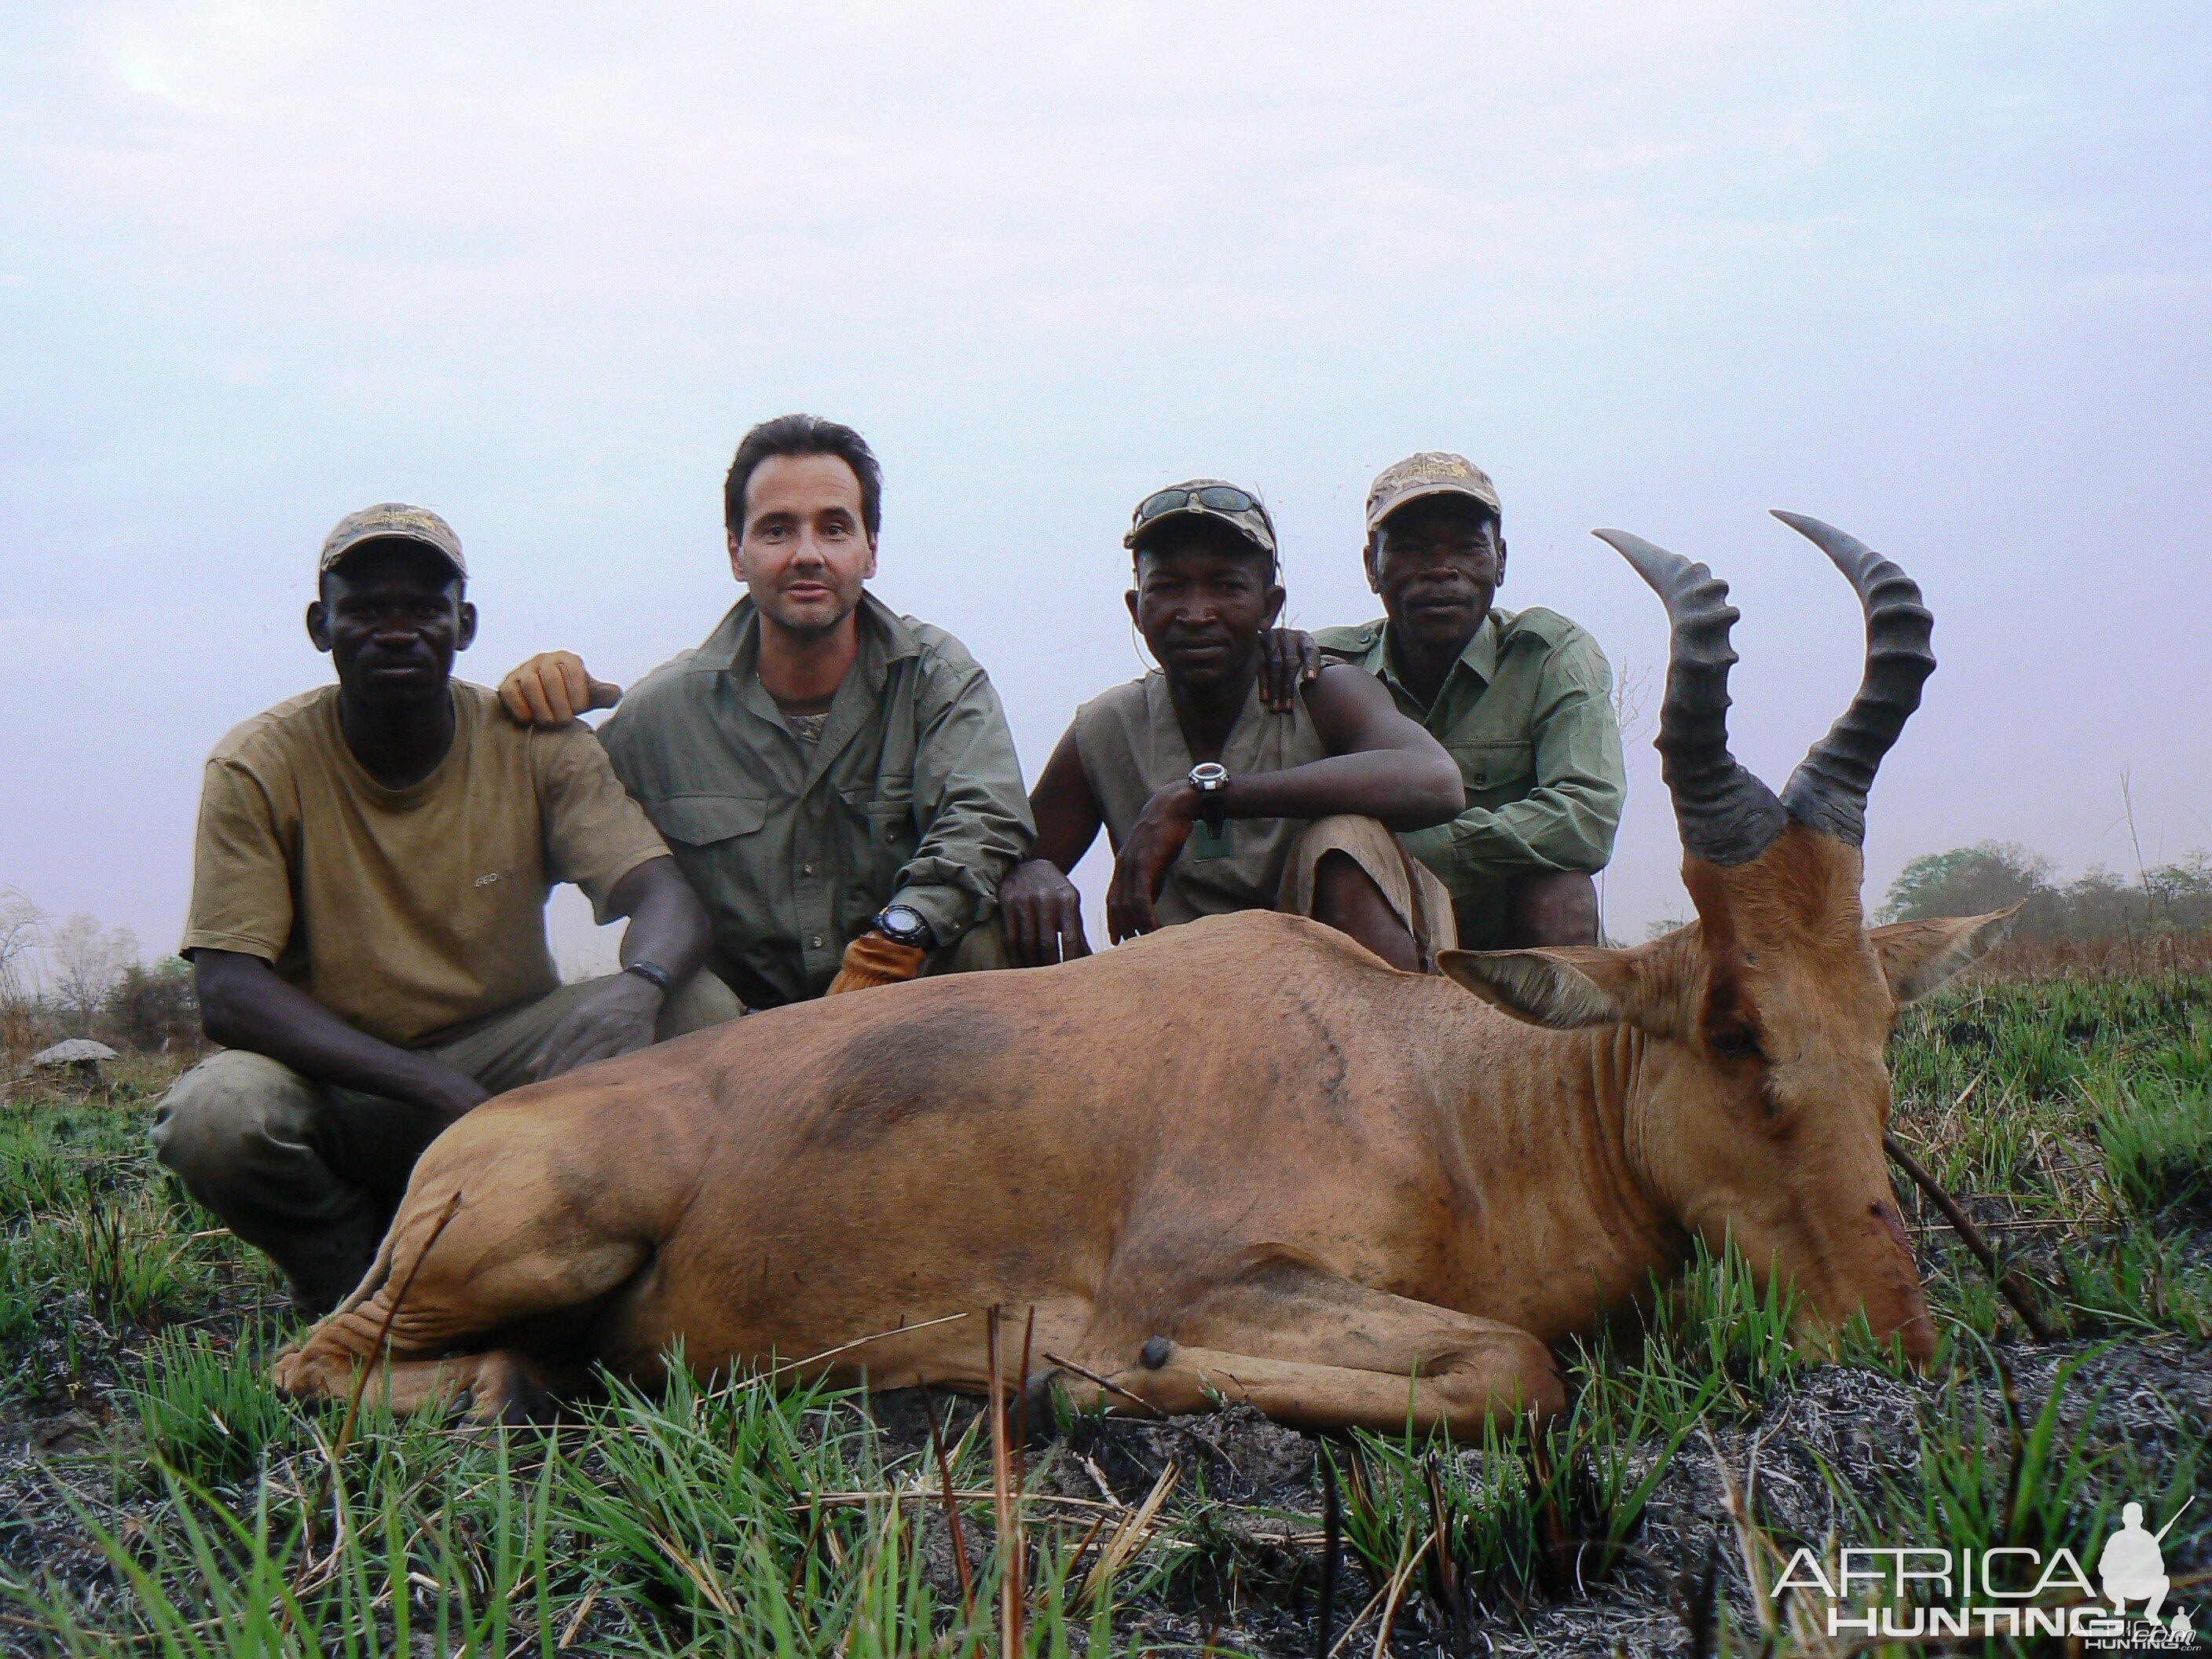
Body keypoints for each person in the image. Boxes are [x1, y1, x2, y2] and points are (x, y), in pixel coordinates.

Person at [154, 504, 733, 1316]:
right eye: (364, 608)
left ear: (462, 624)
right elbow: (228, 990)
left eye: (424, 608)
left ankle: (653, 1263)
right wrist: (427, 1087)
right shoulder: (257, 761)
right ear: (321, 627)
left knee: (700, 1006)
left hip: (517, 1072)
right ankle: (350, 1279)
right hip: (344, 1085)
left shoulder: (537, 742)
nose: (396, 630)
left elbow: (663, 896)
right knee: (214, 1116)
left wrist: (636, 986)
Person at [497, 416, 1033, 1009]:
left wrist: (893, 944)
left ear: (870, 550)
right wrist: (529, 719)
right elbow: (546, 823)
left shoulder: (936, 678)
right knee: (684, 1001)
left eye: (834, 529)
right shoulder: (659, 718)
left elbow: (984, 819)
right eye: (777, 531)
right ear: (737, 552)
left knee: (988, 942)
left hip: (900, 1002)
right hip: (739, 1037)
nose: (808, 555)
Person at [997, 479, 1465, 970]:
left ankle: (1390, 1037)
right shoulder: (1106, 727)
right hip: (1182, 997)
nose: (1197, 614)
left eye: (1227, 587)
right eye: (1168, 588)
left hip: (1327, 986)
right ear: (1137, 610)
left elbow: (1435, 781)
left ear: (1270, 607)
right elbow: (1014, 856)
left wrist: (1205, 797)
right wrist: (1030, 872)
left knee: (1345, 838)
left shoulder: (1322, 692)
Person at [1267, 453, 1625, 947]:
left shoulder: (1549, 654)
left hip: (1507, 937)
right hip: (1373, 929)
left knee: (1560, 892)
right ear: (1372, 567)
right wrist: (1260, 653)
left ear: (1500, 560)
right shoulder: (1324, 666)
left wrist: (1406, 857)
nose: (1440, 570)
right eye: (1411, 550)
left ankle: (1551, 1028)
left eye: (1466, 547)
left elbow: (1588, 815)